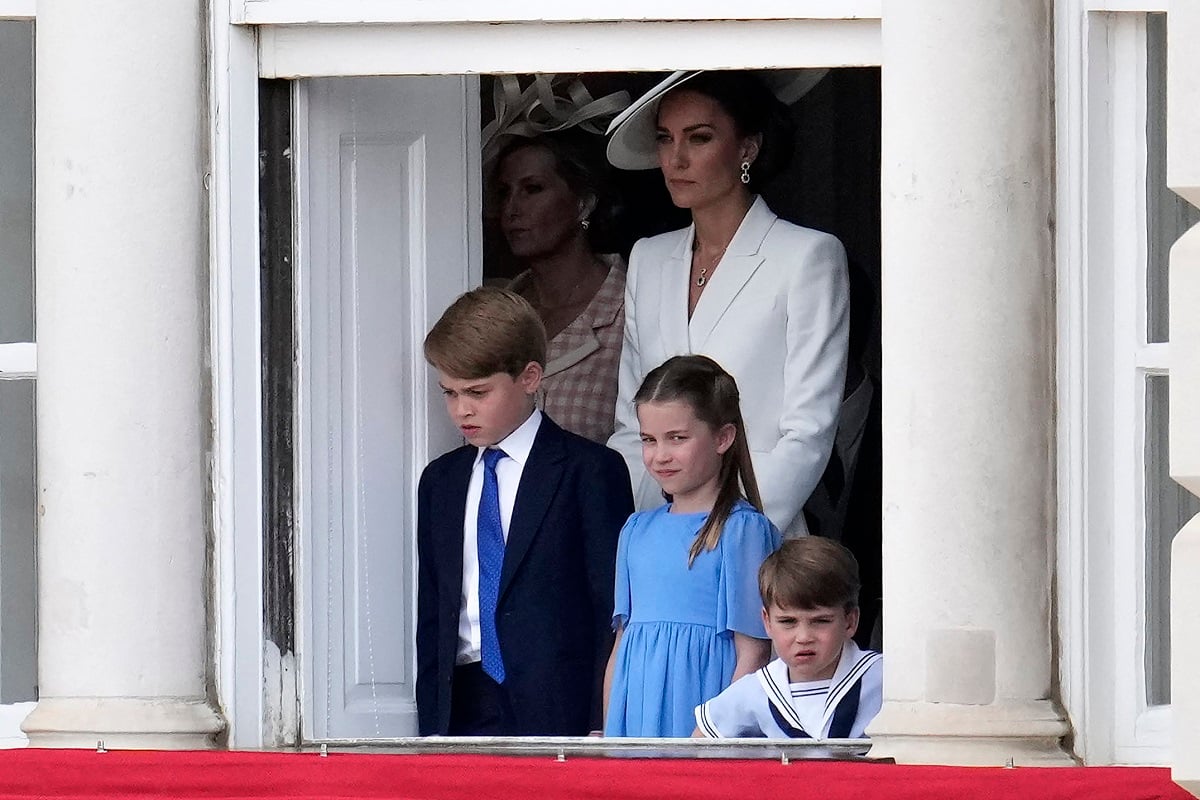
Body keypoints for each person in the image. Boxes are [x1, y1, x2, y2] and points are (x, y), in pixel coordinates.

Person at [605, 70, 850, 538]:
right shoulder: (648, 258)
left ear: (747, 148)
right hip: (657, 538)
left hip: (759, 537)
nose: (676, 158)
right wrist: (647, 529)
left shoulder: (806, 256)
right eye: (664, 138)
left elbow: (807, 433)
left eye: (699, 138)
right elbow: (629, 424)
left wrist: (729, 530)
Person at [416, 286, 634, 736]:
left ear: (530, 377)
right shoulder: (441, 481)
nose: (462, 410)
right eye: (450, 393)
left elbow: (610, 606)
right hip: (461, 704)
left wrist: (602, 718)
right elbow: (435, 609)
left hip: (560, 703)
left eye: (478, 391)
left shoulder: (589, 470)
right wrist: (431, 719)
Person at [603, 355, 781, 738]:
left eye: (677, 438)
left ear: (723, 437)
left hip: (704, 719)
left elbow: (753, 653)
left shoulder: (741, 530)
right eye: (649, 440)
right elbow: (620, 650)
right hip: (636, 719)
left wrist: (715, 738)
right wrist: (611, 737)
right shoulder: (635, 529)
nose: (660, 455)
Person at [495, 134, 626, 444]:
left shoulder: (629, 307)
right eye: (504, 193)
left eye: (532, 189)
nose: (512, 208)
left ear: (583, 204)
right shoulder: (495, 316)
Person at [692, 536, 882, 740]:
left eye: (821, 621)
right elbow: (695, 748)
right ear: (767, 622)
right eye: (788, 622)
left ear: (850, 621)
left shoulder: (885, 680)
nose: (804, 637)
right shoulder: (757, 689)